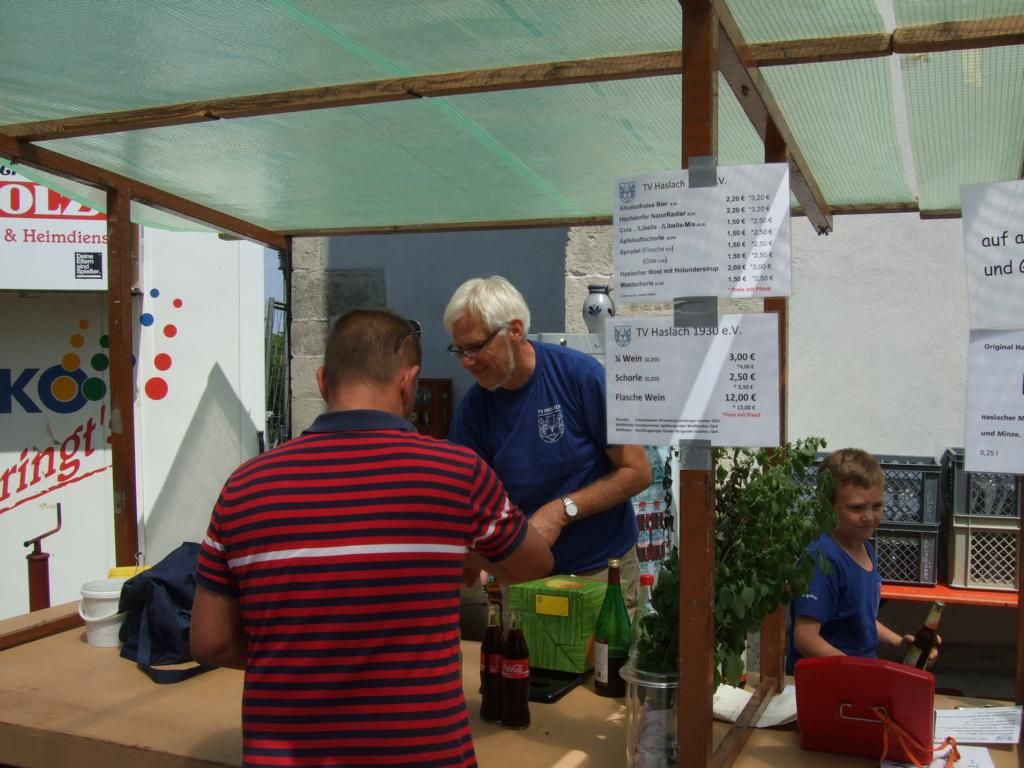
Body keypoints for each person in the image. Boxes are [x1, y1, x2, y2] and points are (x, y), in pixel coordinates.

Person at [191, 308, 553, 768]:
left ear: (323, 382)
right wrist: (467, 555)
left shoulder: (244, 487)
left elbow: (210, 641)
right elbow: (535, 564)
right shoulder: (457, 474)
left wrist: (305, 661)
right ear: (409, 382)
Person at [442, 276, 652, 607]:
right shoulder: (474, 410)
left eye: (477, 347)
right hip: (525, 582)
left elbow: (638, 471)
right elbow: (462, 500)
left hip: (599, 573)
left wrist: (562, 510)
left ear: (514, 331)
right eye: (459, 350)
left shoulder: (580, 377)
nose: (467, 361)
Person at [787, 448, 939, 673]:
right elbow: (805, 638)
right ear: (826, 505)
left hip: (859, 674)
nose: (869, 516)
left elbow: (861, 619)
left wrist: (900, 643)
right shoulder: (821, 559)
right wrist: (858, 672)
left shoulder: (864, 547)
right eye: (856, 508)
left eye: (877, 506)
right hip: (826, 680)